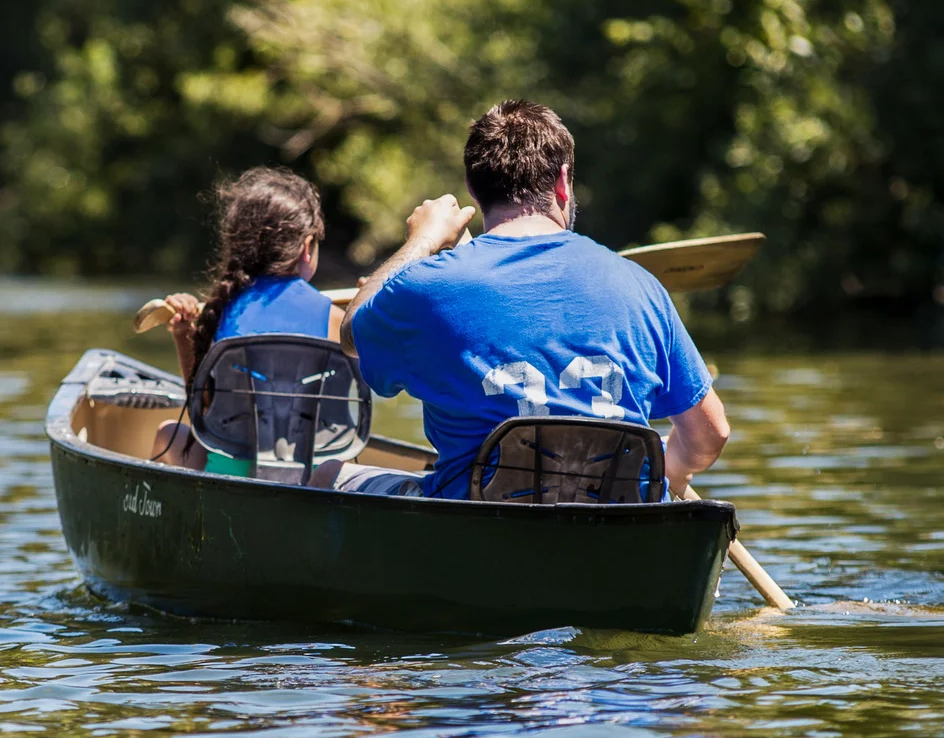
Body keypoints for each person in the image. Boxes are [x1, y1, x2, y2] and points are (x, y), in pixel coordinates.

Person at [314, 99, 729, 499]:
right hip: (620, 524)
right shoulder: (642, 286)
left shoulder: (424, 289)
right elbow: (710, 434)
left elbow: (352, 334)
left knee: (328, 474)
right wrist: (671, 473)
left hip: (481, 529)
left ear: (473, 190)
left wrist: (422, 240)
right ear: (563, 181)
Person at [151, 166, 344, 473]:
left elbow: (203, 415)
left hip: (229, 478)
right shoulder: (338, 322)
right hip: (313, 482)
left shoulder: (219, 312)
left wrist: (183, 335)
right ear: (307, 248)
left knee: (167, 435)